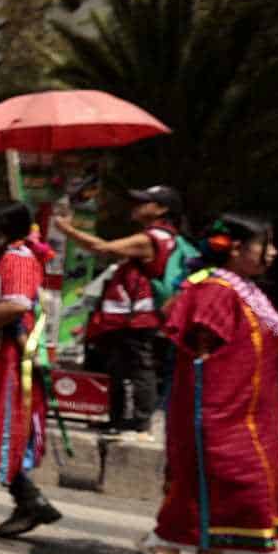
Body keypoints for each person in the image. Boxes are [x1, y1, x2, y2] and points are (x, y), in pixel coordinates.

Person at [143, 215, 278, 554]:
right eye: (266, 244)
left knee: (239, 483)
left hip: (250, 410)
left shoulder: (245, 289)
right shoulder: (214, 288)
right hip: (217, 410)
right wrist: (205, 412)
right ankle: (162, 540)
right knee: (223, 479)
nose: (273, 252)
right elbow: (198, 348)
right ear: (238, 249)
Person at [56, 184, 185, 438]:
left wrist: (66, 229)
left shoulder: (152, 238)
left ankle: (138, 422)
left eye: (144, 202)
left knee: (137, 367)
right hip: (127, 315)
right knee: (119, 366)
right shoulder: (161, 236)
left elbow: (103, 248)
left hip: (136, 316)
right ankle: (119, 419)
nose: (136, 207)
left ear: (162, 209)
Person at [0, 201, 63, 538]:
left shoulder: (16, 257)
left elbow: (16, 304)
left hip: (9, 359)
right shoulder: (16, 253)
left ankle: (28, 499)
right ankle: (28, 499)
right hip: (3, 354)